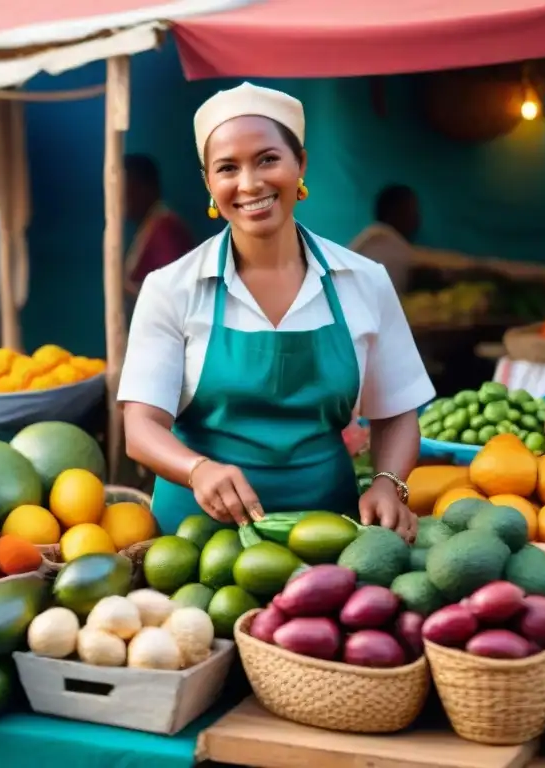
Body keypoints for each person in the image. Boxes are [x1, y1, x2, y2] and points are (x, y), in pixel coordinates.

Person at [118, 83, 435, 541]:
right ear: (209, 182)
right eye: (228, 168)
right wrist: (197, 469)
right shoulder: (172, 288)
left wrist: (389, 484)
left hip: (332, 530)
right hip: (196, 539)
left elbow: (396, 410)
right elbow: (141, 426)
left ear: (300, 164)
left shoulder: (363, 281)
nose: (250, 184)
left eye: (268, 159)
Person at [123, 154, 194, 297]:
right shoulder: (152, 225)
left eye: (127, 190)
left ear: (145, 187)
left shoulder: (164, 228)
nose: (121, 198)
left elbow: (174, 292)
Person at [348, 184, 420, 294]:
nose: (416, 218)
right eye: (411, 211)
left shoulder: (378, 237)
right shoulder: (380, 236)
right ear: (394, 212)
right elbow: (418, 258)